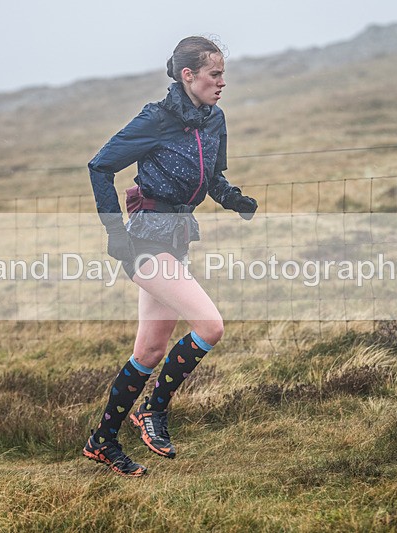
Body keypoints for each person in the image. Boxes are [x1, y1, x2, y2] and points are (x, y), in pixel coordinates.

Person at [82, 36, 258, 477]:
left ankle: (101, 442)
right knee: (210, 325)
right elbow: (100, 166)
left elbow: (213, 175)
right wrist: (113, 233)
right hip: (144, 240)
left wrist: (233, 199)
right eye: (214, 75)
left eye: (223, 75)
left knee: (150, 349)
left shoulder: (214, 120)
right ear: (188, 75)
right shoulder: (156, 119)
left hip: (177, 238)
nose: (221, 83)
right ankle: (152, 412)